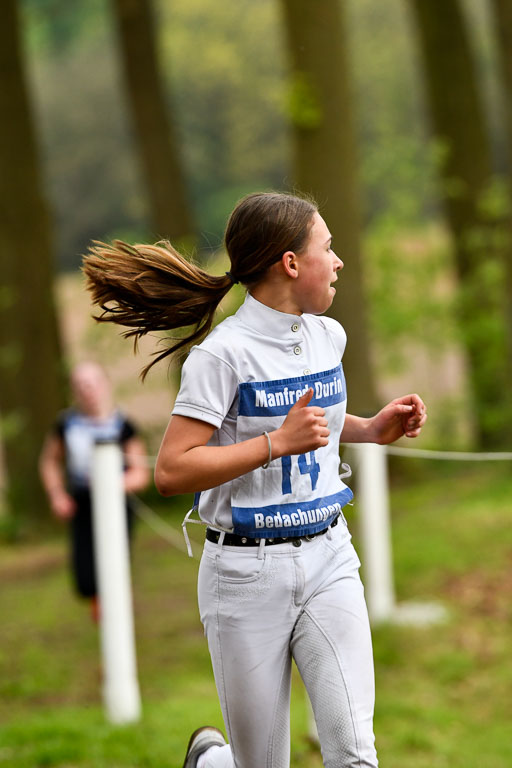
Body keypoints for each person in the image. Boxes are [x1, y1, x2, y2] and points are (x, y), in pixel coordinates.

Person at [83, 192, 427, 767]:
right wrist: (274, 444)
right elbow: (171, 470)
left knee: (354, 753)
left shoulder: (327, 337)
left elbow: (310, 429)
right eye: (328, 247)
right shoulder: (221, 357)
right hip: (244, 578)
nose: (339, 261)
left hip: (330, 558)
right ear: (290, 264)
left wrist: (369, 429)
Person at [39, 361, 150, 622]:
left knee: (114, 573)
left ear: (105, 385)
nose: (87, 390)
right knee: (86, 579)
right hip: (82, 506)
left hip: (117, 506)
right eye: (80, 386)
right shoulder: (65, 424)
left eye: (91, 384)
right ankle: (105, 620)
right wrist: (57, 495)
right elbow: (49, 461)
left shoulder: (124, 425)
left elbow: (141, 473)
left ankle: (115, 627)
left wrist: (111, 485)